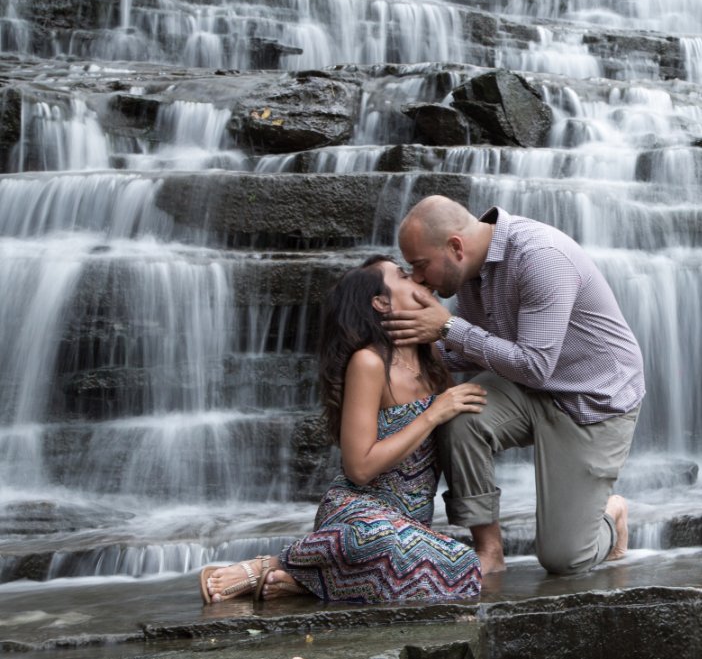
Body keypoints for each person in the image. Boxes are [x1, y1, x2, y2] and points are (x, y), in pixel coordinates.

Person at [199, 256, 487, 604]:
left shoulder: (432, 359)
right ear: (381, 303)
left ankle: (304, 582)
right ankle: (268, 564)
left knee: (465, 564)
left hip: (410, 524)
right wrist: (433, 414)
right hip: (357, 512)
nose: (416, 277)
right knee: (377, 539)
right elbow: (360, 468)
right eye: (401, 274)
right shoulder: (368, 362)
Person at [383, 196, 644, 576]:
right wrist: (410, 350)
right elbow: (484, 351)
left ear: (456, 246)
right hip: (528, 384)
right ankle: (490, 553)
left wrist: (449, 328)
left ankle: (611, 514)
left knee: (566, 559)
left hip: (592, 398)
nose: (419, 279)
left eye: (421, 266)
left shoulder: (541, 258)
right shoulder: (470, 274)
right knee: (461, 415)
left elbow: (535, 365)